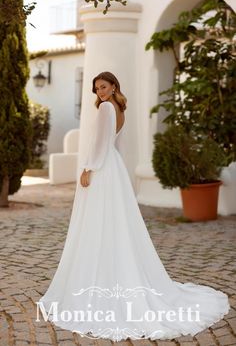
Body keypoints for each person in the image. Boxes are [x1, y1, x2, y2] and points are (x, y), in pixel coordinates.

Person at [37, 71, 230, 342]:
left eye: (104, 86)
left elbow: (100, 144)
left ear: (114, 85)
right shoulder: (118, 108)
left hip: (102, 168)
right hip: (113, 168)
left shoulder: (106, 107)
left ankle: (99, 280)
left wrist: (88, 169)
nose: (100, 92)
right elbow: (114, 145)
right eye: (96, 89)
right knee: (113, 223)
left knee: (98, 223)